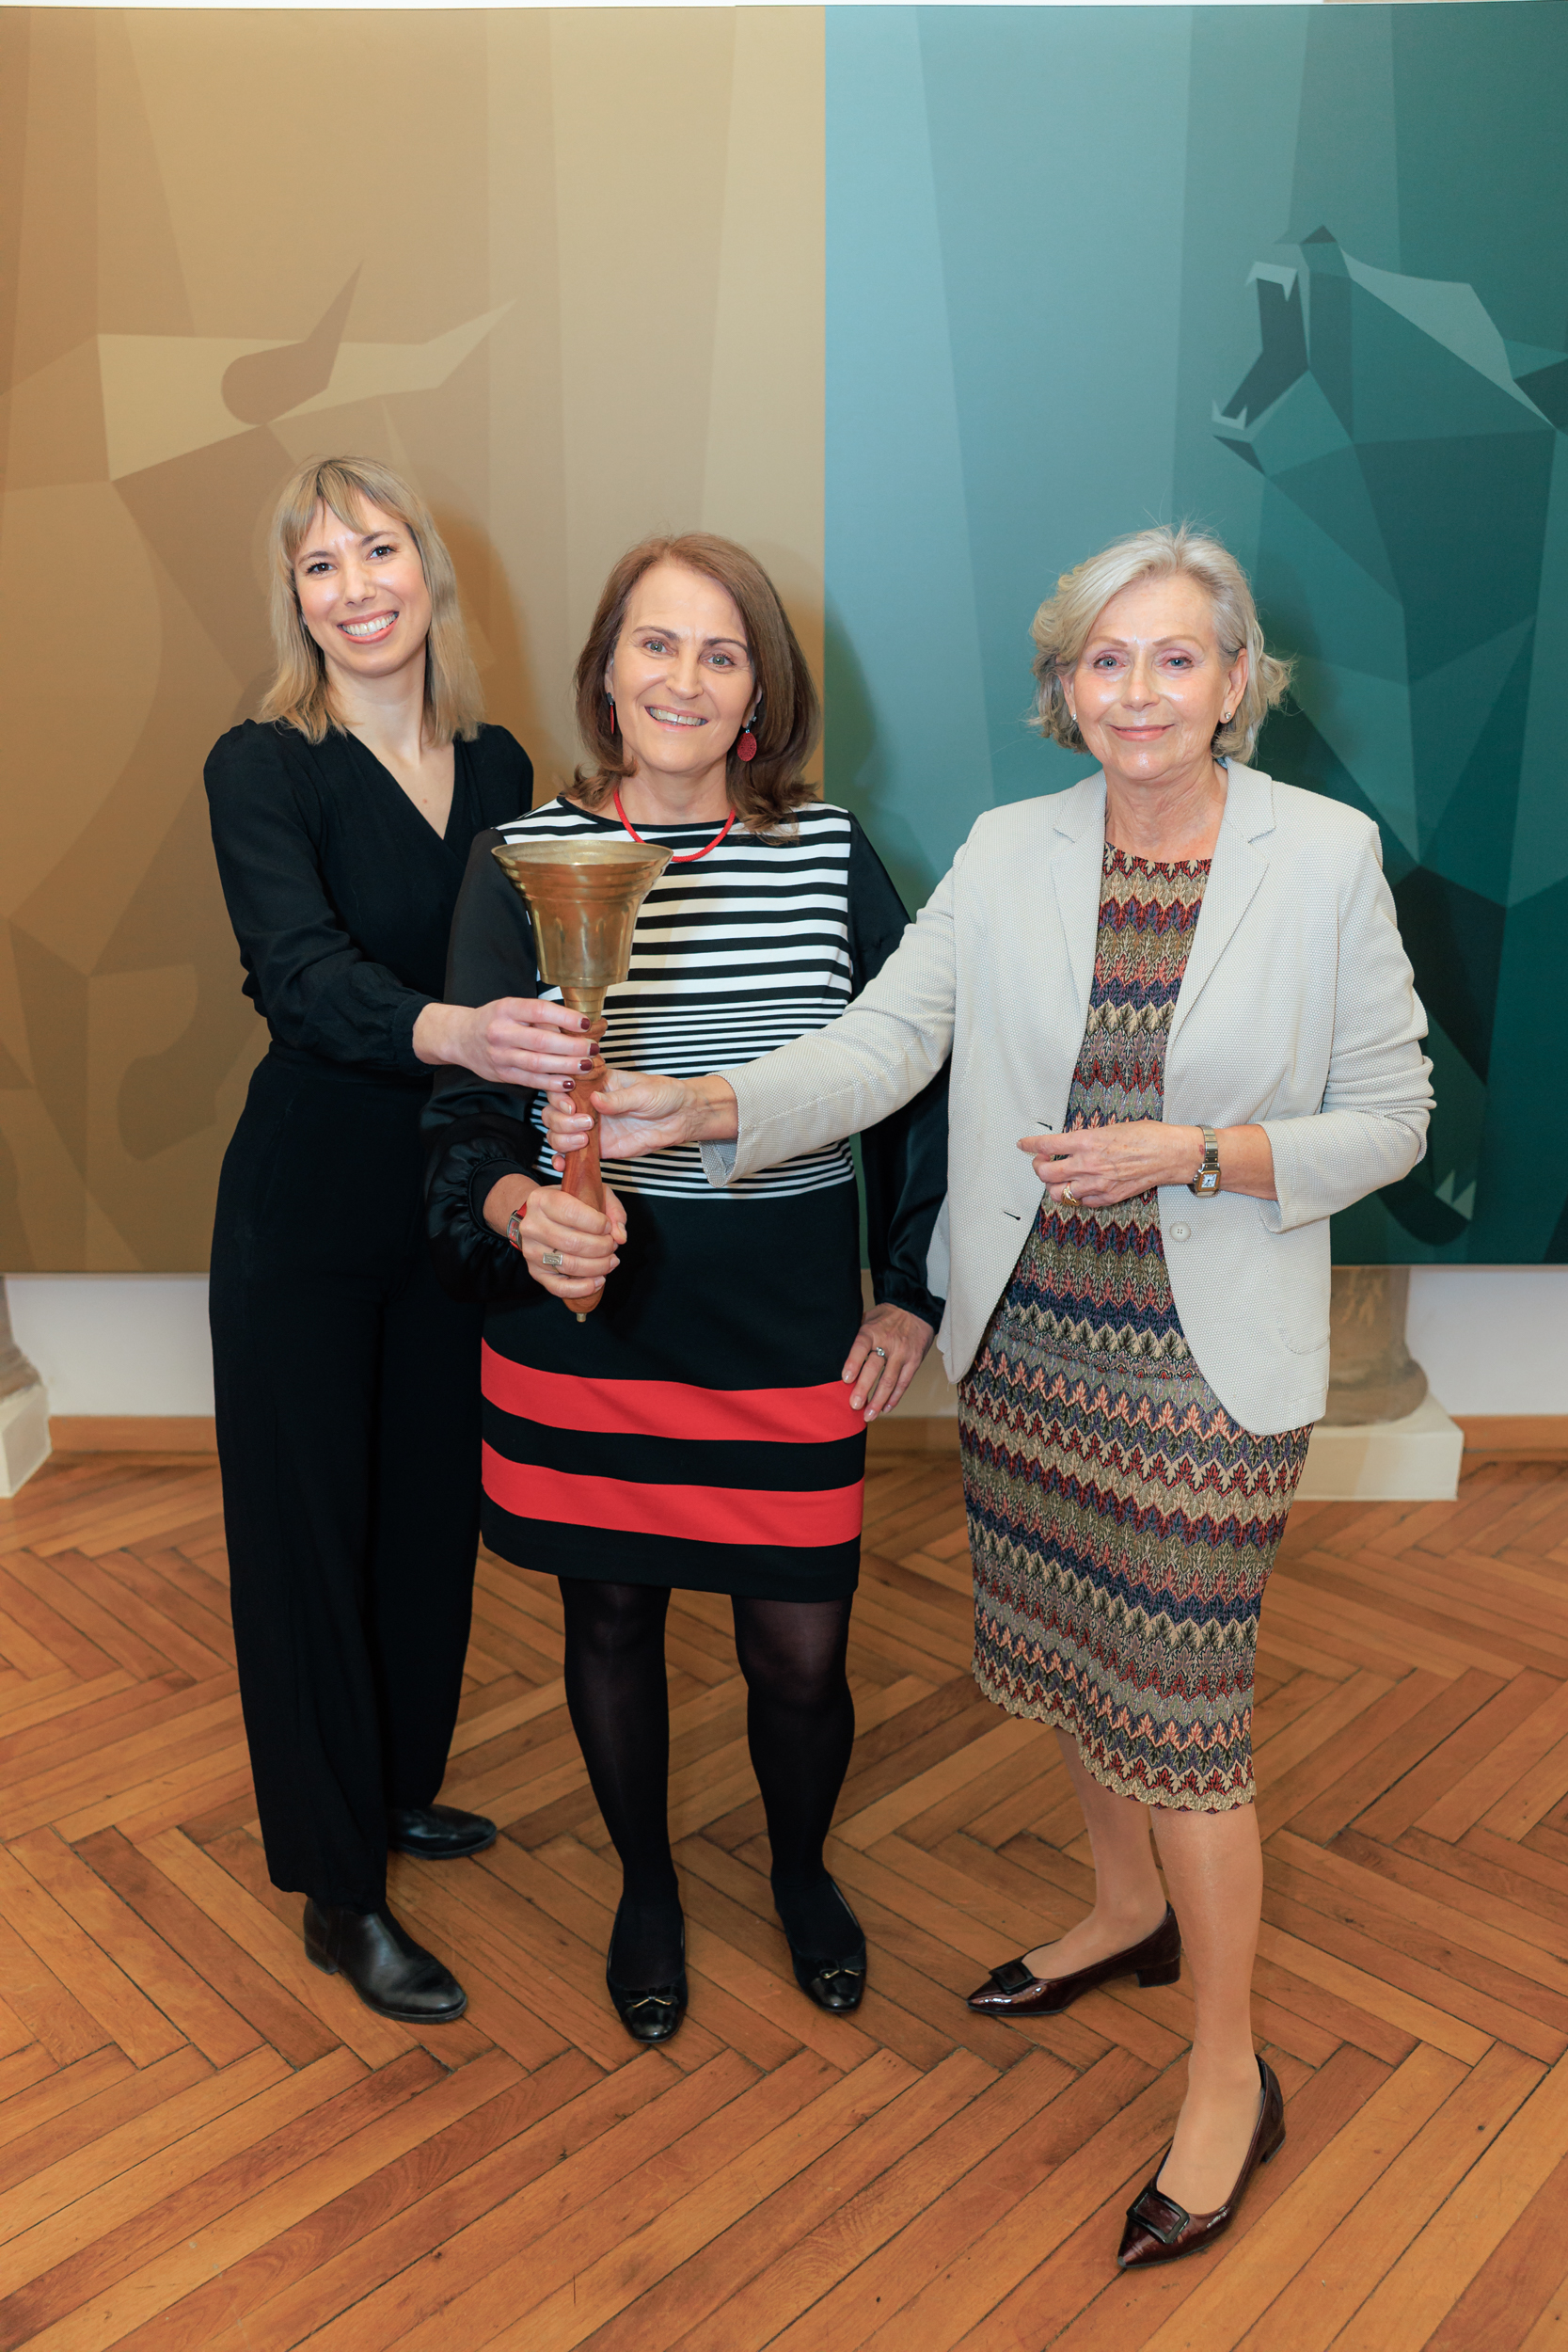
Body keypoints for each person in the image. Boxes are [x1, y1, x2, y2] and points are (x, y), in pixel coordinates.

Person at [543, 526, 1433, 2260]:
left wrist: (1198, 1150)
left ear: (1235, 682)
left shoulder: (1323, 857)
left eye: (1177, 658)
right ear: (1064, 687)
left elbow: (1393, 1118)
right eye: (1106, 659)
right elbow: (884, 1044)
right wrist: (711, 1110)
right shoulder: (1009, 850)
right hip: (1030, 1347)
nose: (1139, 692)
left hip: (1205, 1365)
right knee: (1081, 1656)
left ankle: (1230, 2073)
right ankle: (1120, 1910)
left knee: (1184, 1716)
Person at [423, 532, 946, 2042]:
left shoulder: (830, 853)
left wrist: (906, 1287)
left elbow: (916, 1081)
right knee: (610, 1620)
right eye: (655, 644)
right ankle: (645, 1887)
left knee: (800, 1652)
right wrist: (524, 1212)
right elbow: (464, 1122)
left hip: (782, 1321)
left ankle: (798, 1870)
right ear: (607, 670)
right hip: (586, 1322)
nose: (684, 678)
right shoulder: (519, 858)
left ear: (758, 696)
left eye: (722, 653)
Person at [206, 455, 552, 2024]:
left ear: (430, 570)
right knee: (306, 1537)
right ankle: (337, 1888)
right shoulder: (262, 765)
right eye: (319, 564)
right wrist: (460, 1033)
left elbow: (535, 971)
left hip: (453, 1194)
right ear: (295, 600)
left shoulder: (500, 766)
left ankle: (395, 1785)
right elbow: (299, 977)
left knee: (423, 1515)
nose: (356, 587)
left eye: (379, 549)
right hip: (308, 1203)